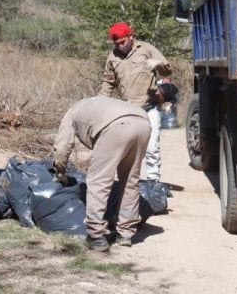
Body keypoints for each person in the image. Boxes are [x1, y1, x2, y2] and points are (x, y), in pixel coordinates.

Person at [53, 96, 151, 252]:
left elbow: (62, 147)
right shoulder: (96, 104)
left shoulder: (71, 113)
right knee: (130, 181)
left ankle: (96, 236)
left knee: (99, 180)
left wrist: (60, 173)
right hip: (143, 123)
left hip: (116, 126)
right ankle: (125, 233)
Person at [99, 22, 171, 181]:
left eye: (122, 42)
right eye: (116, 44)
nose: (120, 46)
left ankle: (153, 182)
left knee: (152, 148)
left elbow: (168, 70)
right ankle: (128, 182)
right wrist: (99, 104)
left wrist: (159, 64)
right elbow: (108, 83)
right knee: (126, 150)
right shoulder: (112, 57)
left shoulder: (146, 49)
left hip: (150, 108)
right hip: (127, 111)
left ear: (131, 37)